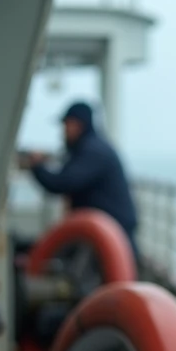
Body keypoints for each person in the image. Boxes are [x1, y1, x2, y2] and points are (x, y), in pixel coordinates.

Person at [21, 101, 140, 261]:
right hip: (105, 232)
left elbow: (62, 183)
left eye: (67, 124)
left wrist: (37, 167)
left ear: (78, 124)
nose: (63, 131)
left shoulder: (93, 151)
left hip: (112, 235)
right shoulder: (90, 148)